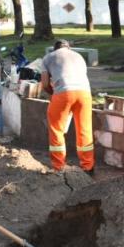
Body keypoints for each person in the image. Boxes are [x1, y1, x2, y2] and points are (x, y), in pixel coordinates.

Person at [40, 39, 95, 175]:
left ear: (55, 48)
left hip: (63, 94)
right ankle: (88, 167)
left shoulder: (48, 57)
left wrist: (53, 93)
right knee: (84, 130)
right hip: (85, 94)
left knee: (56, 129)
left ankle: (59, 167)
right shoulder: (79, 56)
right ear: (69, 48)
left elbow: (45, 84)